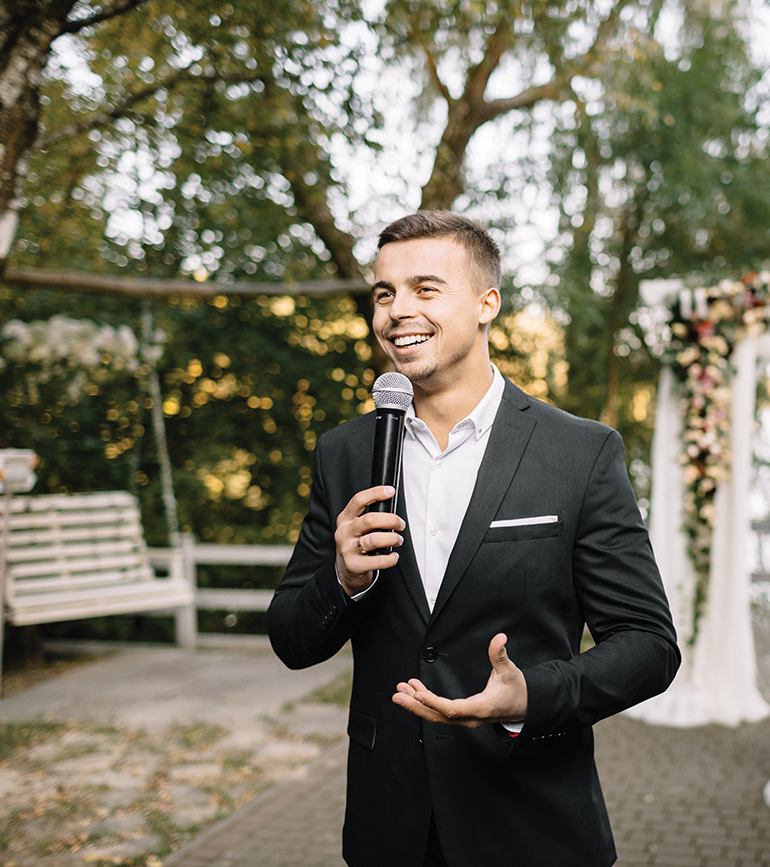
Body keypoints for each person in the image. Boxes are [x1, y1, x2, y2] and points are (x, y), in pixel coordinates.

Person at [265, 211, 680, 867]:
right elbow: (291, 638)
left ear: (488, 303)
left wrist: (531, 696)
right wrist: (339, 581)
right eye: (384, 292)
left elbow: (650, 646)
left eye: (425, 288)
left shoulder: (579, 453)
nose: (398, 310)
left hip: (530, 819)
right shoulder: (345, 453)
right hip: (390, 823)